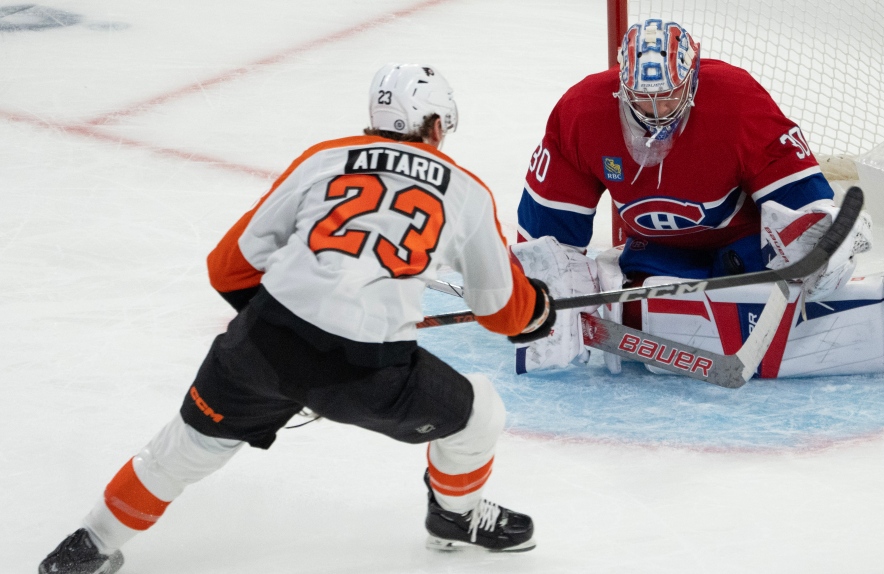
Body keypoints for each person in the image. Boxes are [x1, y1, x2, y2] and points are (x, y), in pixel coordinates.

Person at [39, 63, 553, 574]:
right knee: (480, 412)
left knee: (182, 449)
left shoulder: (323, 159)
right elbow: (501, 310)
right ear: (437, 126)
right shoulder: (465, 190)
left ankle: (88, 547)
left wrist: (293, 339)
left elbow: (228, 267)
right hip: (369, 373)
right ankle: (455, 518)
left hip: (261, 344)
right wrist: (538, 311)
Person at [511, 19, 884, 379]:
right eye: (642, 100)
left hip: (746, 255)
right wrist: (538, 294)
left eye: (668, 99)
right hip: (656, 262)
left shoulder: (735, 101)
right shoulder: (580, 113)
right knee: (610, 297)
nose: (655, 115)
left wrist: (820, 245)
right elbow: (546, 235)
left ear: (691, 83)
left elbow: (803, 203)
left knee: (796, 276)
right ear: (622, 86)